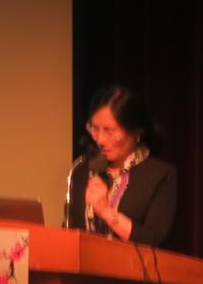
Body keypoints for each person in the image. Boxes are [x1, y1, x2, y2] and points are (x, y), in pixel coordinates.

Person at [64, 84, 177, 247]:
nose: (100, 140)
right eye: (94, 128)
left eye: (110, 131)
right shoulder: (83, 169)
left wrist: (106, 212)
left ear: (136, 131)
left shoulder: (160, 175)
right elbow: (70, 229)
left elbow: (153, 239)